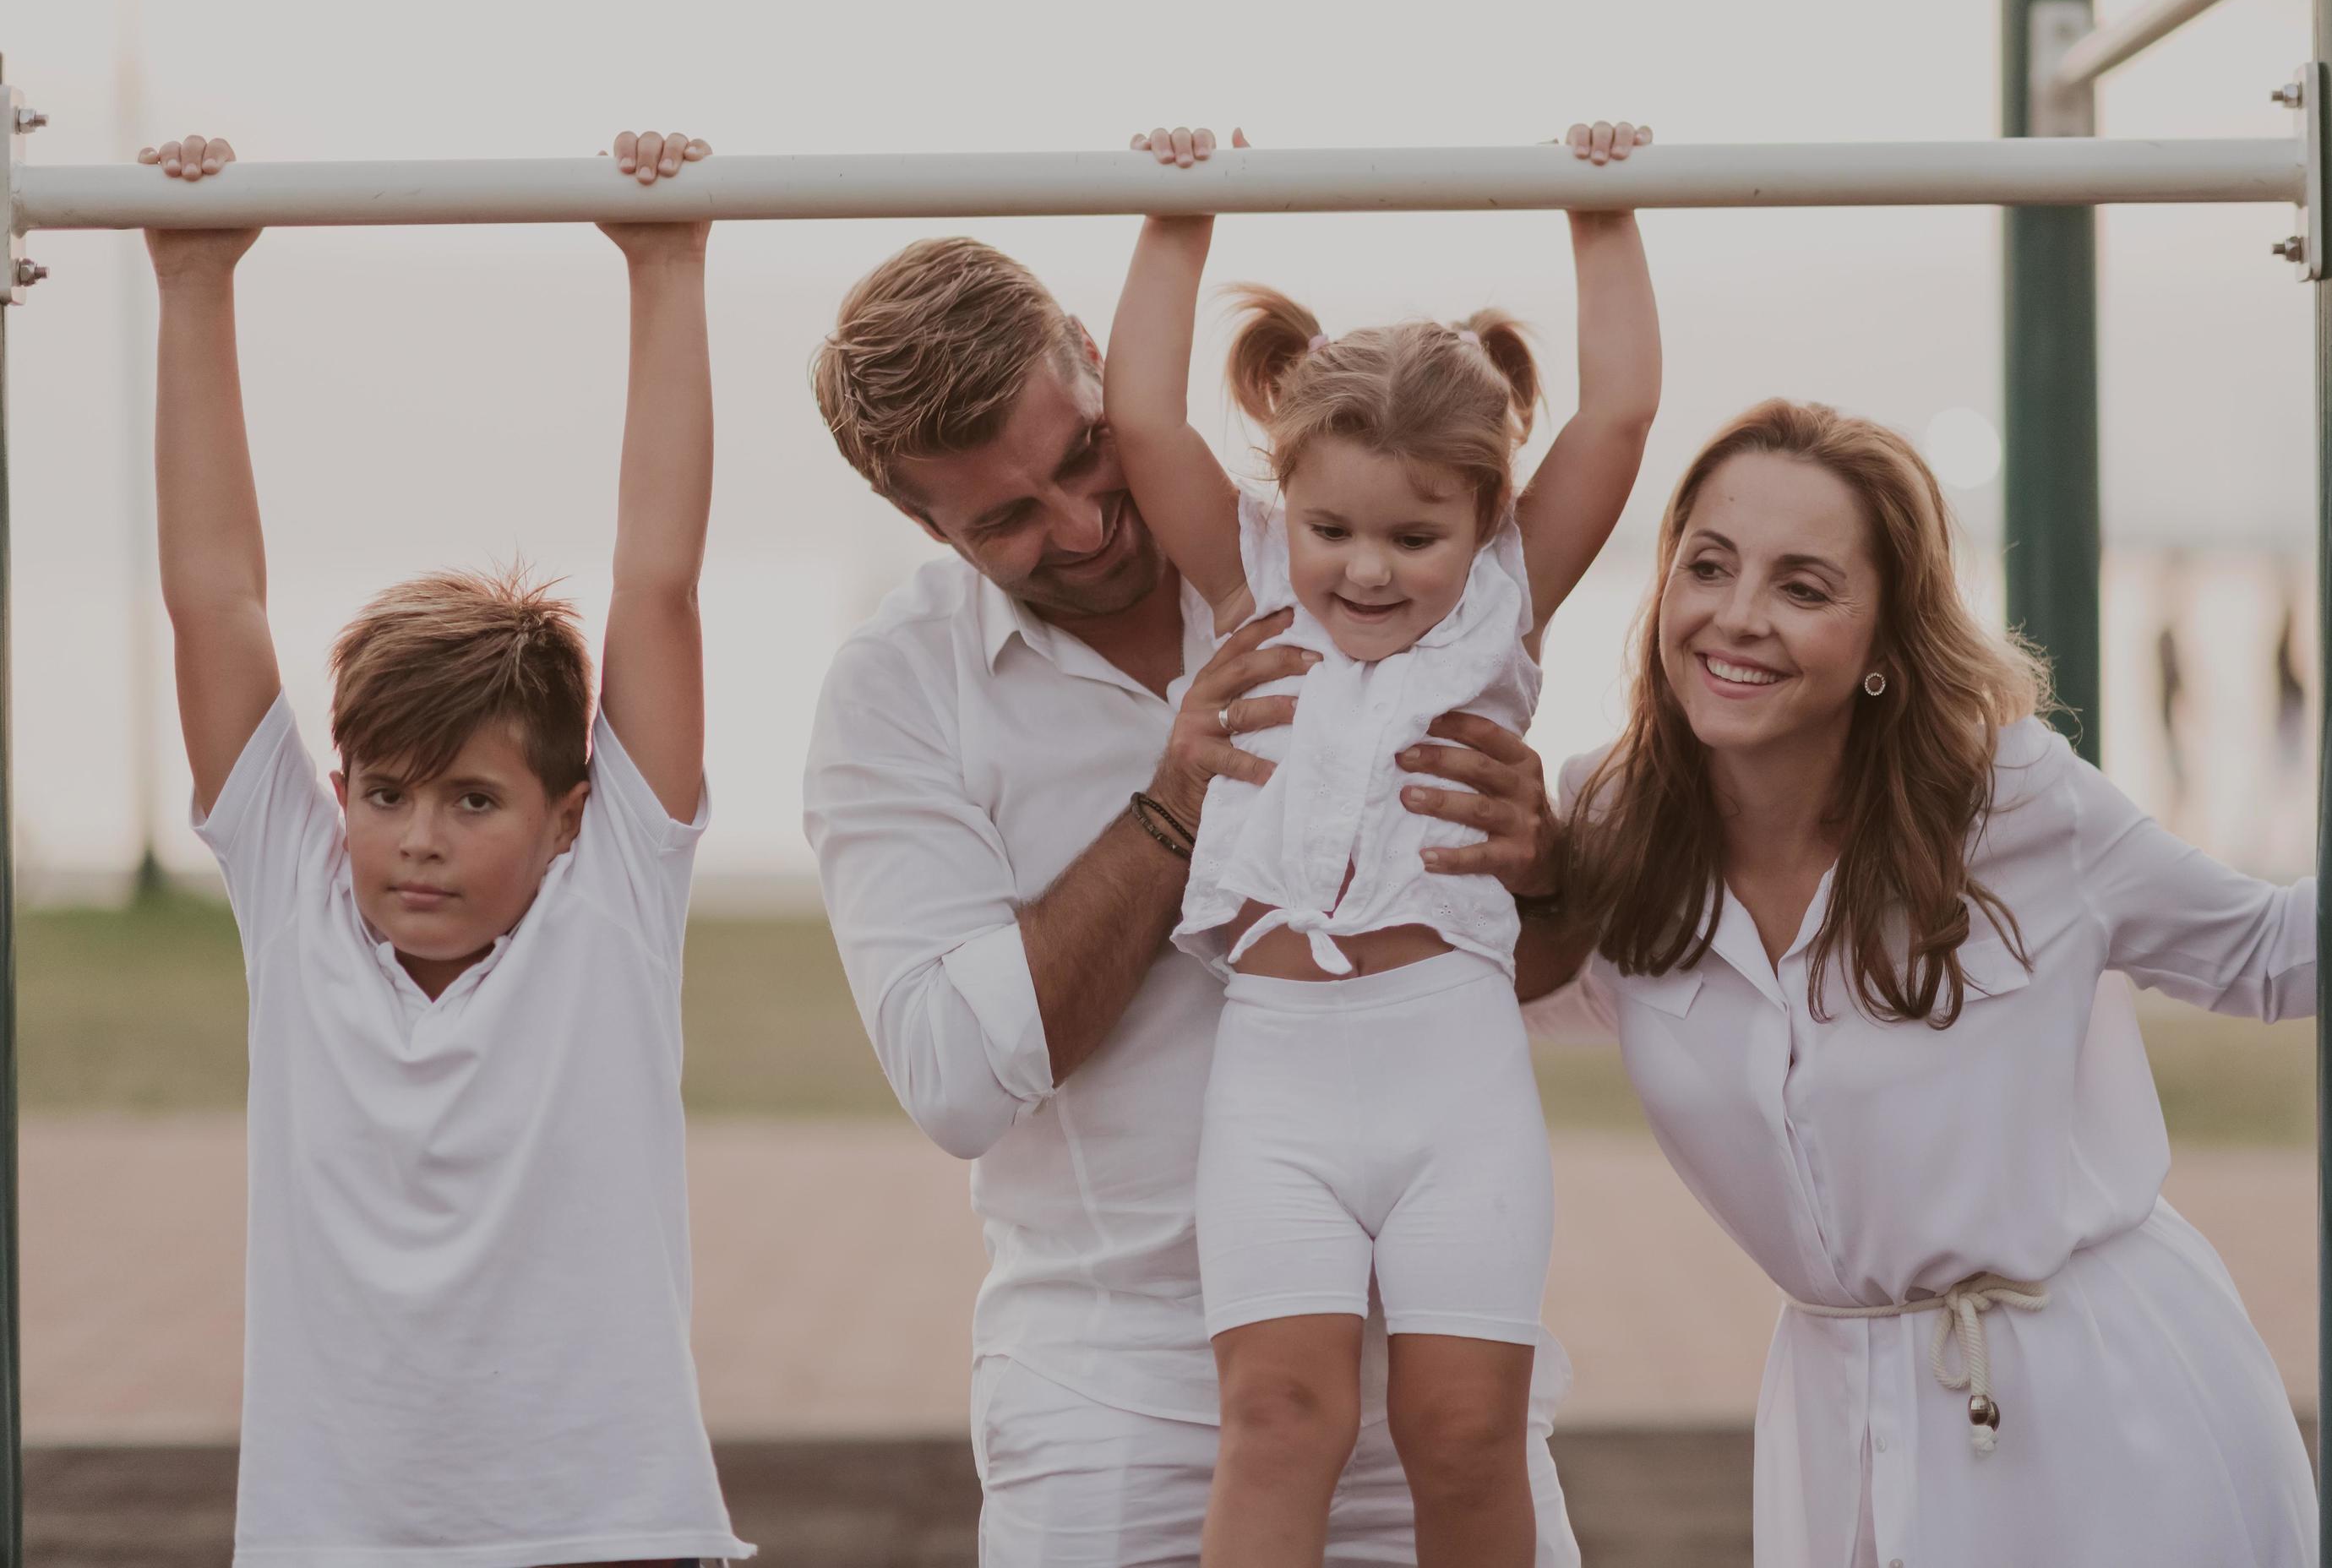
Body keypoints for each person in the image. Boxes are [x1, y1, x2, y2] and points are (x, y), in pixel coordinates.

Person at [803, 122, 1648, 1567]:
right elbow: (951, 1077)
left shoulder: (1350, 558)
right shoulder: (896, 693)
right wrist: (1176, 803)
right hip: (1112, 1399)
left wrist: (1547, 864)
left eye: (1084, 458)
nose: (1081, 526)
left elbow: (1544, 978)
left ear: (1091, 368)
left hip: (1427, 1363)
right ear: (916, 518)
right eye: (1008, 516)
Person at [1522, 396, 2332, 1568]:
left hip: (2104, 1405)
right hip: (1834, 1432)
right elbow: (1517, 998)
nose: (1737, 617)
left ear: (1887, 643)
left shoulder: (2018, 804)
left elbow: (2267, 957)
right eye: (1708, 567)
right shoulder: (1614, 821)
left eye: (1805, 587)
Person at [146, 129, 749, 1568]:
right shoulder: (296, 900)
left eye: (475, 804)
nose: (418, 843)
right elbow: (215, 599)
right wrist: (194, 283)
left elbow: (656, 578)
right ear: (337, 789)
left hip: (610, 1532)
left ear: (569, 810)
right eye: (389, 795)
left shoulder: (609, 905)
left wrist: (667, 266)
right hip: (337, 1540)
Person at [1101, 122, 1659, 1567]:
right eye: (1329, 524)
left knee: (1466, 1437)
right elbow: (1143, 417)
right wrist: (1183, 211)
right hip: (1277, 1076)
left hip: (1451, 1075)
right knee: (1281, 1420)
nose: (1364, 566)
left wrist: (1598, 205)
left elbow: (1619, 417)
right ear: (1282, 504)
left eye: (1413, 535)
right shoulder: (1250, 597)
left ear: (1482, 524)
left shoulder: (1500, 617)